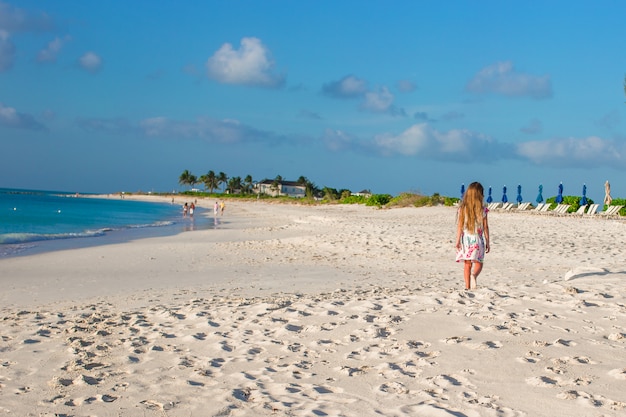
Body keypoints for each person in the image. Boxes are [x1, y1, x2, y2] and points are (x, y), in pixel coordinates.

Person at [455, 181, 490, 290]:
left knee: (467, 264)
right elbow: (485, 227)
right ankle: (474, 275)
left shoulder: (462, 209)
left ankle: (467, 287)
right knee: (479, 262)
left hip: (466, 240)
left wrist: (457, 241)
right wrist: (488, 242)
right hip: (478, 240)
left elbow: (459, 226)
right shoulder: (483, 210)